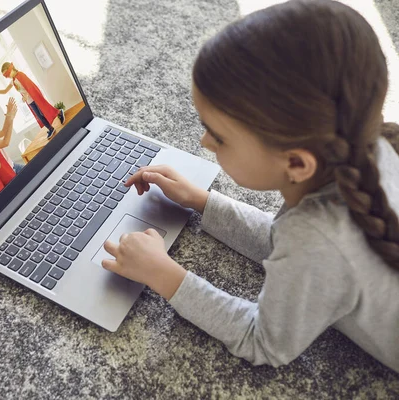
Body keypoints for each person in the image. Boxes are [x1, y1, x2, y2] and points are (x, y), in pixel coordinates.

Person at [102, 0, 399, 372]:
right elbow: (285, 243)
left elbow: (265, 342)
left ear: (295, 163)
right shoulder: (374, 148)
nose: (204, 142)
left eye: (220, 137)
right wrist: (203, 201)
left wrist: (163, 274)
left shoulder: (318, 238)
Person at [0, 62, 65, 139]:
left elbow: (29, 86)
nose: (7, 76)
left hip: (34, 97)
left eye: (7, 74)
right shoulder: (13, 81)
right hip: (30, 101)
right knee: (39, 116)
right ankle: (50, 129)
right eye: (6, 76)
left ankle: (59, 113)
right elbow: (5, 91)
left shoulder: (20, 75)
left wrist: (26, 95)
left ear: (11, 69)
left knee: (44, 111)